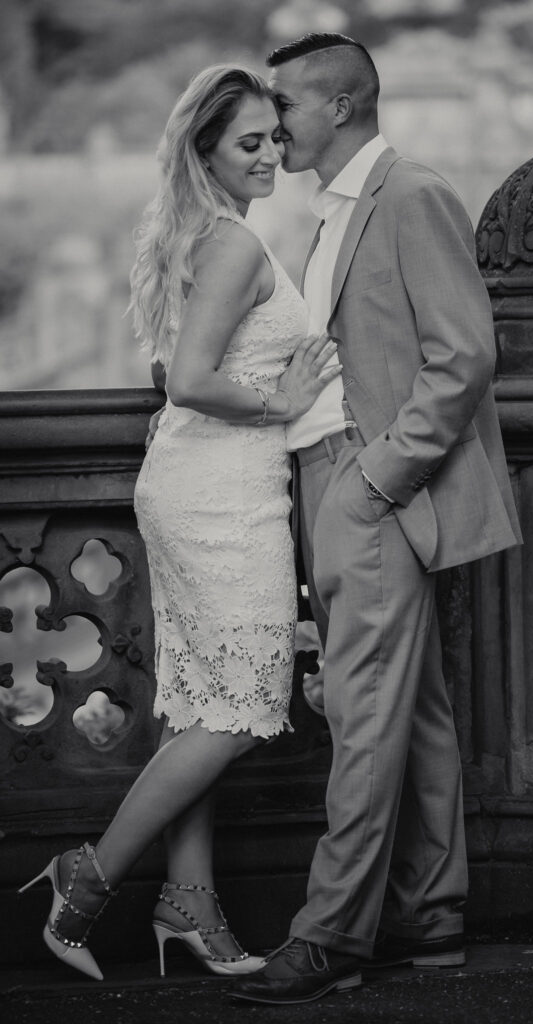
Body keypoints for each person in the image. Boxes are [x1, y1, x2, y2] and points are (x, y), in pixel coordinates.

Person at [18, 64, 339, 982]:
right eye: (250, 142)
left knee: (201, 702)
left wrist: (246, 402)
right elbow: (194, 380)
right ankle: (88, 877)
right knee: (238, 714)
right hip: (223, 495)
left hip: (197, 479)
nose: (272, 153)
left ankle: (189, 909)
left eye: (276, 137)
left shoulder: (201, 234)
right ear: (206, 151)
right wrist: (281, 401)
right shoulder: (232, 245)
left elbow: (178, 378)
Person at [232, 33, 522, 1006]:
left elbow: (462, 355)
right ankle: (429, 913)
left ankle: (330, 935)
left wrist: (374, 478)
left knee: (359, 714)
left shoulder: (409, 195)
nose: (274, 127)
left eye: (287, 107)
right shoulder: (334, 212)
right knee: (417, 707)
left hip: (367, 489)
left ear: (344, 104)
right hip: (338, 482)